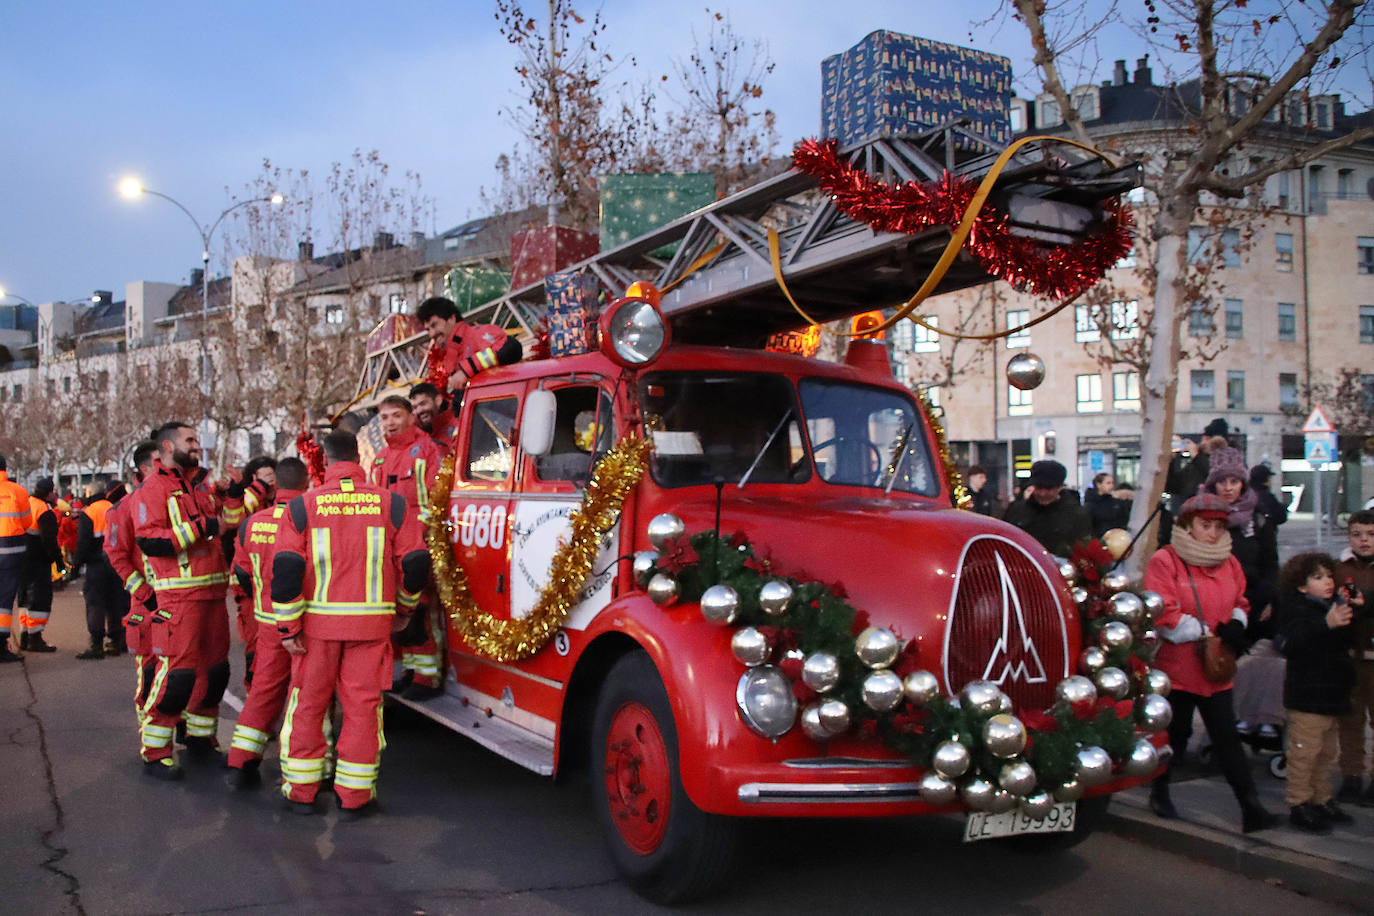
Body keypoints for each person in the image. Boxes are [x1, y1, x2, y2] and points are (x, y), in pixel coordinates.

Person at [271, 430, 430, 816]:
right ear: (359, 456)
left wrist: (288, 628)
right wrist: (404, 611)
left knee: (308, 706)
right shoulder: (391, 505)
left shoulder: (302, 507)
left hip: (315, 631)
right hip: (371, 628)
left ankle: (302, 792)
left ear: (323, 460)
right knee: (363, 709)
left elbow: (287, 570)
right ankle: (355, 796)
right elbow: (415, 564)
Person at [1144, 492, 1277, 832]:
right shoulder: (1166, 560)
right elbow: (1164, 613)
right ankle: (1160, 792)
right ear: (1187, 526)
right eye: (1206, 525)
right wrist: (1207, 628)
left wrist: (1236, 622)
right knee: (1176, 735)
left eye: (1219, 525)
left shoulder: (1228, 560)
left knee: (1226, 737)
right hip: (1178, 667)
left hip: (1217, 666)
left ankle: (1251, 808)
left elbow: (1241, 599)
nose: (1213, 533)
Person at [133, 422, 242, 778]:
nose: (197, 445)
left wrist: (231, 497)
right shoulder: (153, 488)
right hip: (179, 598)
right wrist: (200, 527)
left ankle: (200, 739)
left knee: (215, 672)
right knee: (177, 675)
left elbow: (225, 527)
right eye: (190, 440)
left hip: (211, 594)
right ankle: (155, 749)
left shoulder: (202, 485)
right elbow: (150, 540)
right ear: (168, 446)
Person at [227, 457, 310, 789]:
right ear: (305, 485)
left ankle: (241, 761)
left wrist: (261, 601)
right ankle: (302, 769)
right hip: (302, 623)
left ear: (276, 485)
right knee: (304, 694)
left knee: (262, 692)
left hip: (266, 622)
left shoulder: (252, 523)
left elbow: (242, 574)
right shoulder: (309, 520)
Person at [1274, 552, 1362, 832]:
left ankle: (1321, 799)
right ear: (1301, 586)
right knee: (1304, 753)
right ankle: (1299, 803)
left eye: (1328, 576)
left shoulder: (1330, 606)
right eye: (1317, 577)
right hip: (1308, 695)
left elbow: (1345, 640)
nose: (1326, 582)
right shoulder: (1297, 609)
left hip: (1331, 694)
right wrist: (1327, 624)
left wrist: (1351, 611)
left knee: (1326, 753)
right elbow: (1292, 642)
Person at [369, 395, 446, 699]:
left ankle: (428, 678)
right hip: (391, 549)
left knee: (422, 611)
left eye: (395, 416)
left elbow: (436, 498)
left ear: (410, 417)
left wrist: (421, 539)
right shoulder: (379, 459)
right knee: (400, 613)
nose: (390, 423)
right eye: (384, 417)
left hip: (419, 545)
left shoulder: (427, 450)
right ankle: (410, 672)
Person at [105, 441, 161, 723]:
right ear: (144, 469)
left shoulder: (176, 501)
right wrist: (145, 593)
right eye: (159, 463)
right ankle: (151, 738)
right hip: (147, 608)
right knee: (150, 674)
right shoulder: (123, 509)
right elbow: (116, 555)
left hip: (178, 604)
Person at [1202, 448, 1277, 641]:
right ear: (1213, 484)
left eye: (1234, 481)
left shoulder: (1258, 518)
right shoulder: (1200, 516)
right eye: (1222, 482)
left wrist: (1268, 599)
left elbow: (1270, 564)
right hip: (1211, 605)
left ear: (1243, 484)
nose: (1228, 488)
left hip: (1253, 604)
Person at [1336, 509, 1374, 806]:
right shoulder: (1340, 568)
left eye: (1371, 535)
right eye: (1357, 534)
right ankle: (1351, 776)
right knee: (1350, 722)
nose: (1364, 541)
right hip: (1349, 657)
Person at [415, 296, 522, 399]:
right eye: (428, 330)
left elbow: (511, 347)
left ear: (451, 318)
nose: (431, 334)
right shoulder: (449, 357)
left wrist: (466, 370)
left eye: (434, 325)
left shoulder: (478, 334)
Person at [74, 478, 129, 659]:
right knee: (116, 601)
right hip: (117, 562)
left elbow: (82, 544)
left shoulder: (89, 513)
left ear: (89, 494)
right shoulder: (116, 507)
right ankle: (117, 640)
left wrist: (76, 567)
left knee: (95, 602)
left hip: (96, 565)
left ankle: (96, 644)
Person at [1001, 460, 1091, 557]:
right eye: (1039, 488)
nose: (1042, 494)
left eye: (1048, 489)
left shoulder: (1076, 514)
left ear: (1060, 487)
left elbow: (1085, 548)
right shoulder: (1016, 511)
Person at [19, 477, 63, 652]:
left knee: (24, 599)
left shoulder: (28, 503)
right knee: (40, 600)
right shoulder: (45, 511)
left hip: (21, 560)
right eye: (54, 492)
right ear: (49, 493)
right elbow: (50, 541)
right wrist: (58, 563)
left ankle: (25, 636)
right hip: (38, 562)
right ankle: (35, 639)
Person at [0, 455, 30, 663]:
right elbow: (27, 521)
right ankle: (1, 645)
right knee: (4, 600)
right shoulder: (17, 490)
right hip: (11, 552)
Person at [409, 381, 460, 452]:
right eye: (414, 407)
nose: (419, 410)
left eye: (423, 404)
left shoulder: (459, 427)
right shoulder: (413, 433)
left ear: (438, 400)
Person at [1085, 471, 1132, 537]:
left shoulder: (1117, 503)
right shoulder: (1090, 504)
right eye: (1108, 483)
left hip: (1117, 538)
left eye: (1112, 483)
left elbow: (1124, 519)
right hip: (1099, 540)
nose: (1111, 486)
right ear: (1099, 485)